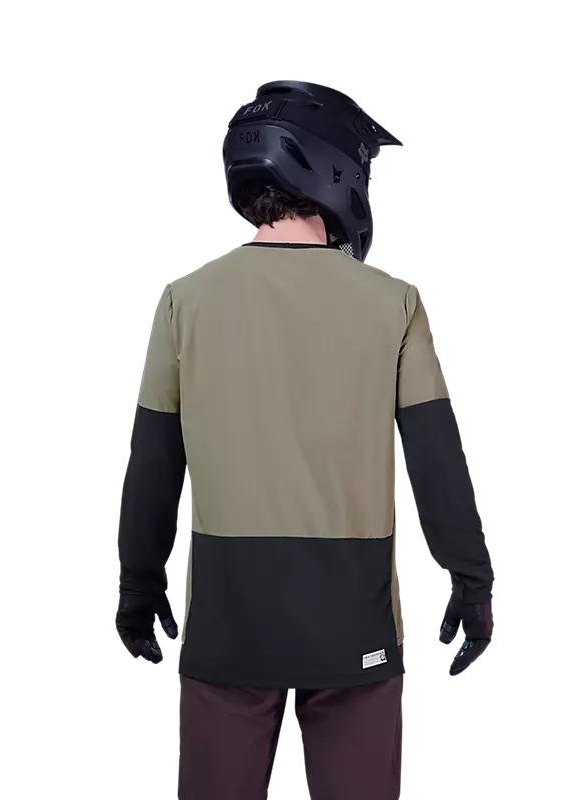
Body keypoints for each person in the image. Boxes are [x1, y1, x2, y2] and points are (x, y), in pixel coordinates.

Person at [114, 79, 495, 800]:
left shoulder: (184, 300)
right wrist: (472, 581)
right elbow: (436, 459)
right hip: (352, 618)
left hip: (229, 619)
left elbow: (153, 463)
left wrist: (139, 581)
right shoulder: (393, 303)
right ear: (337, 171)